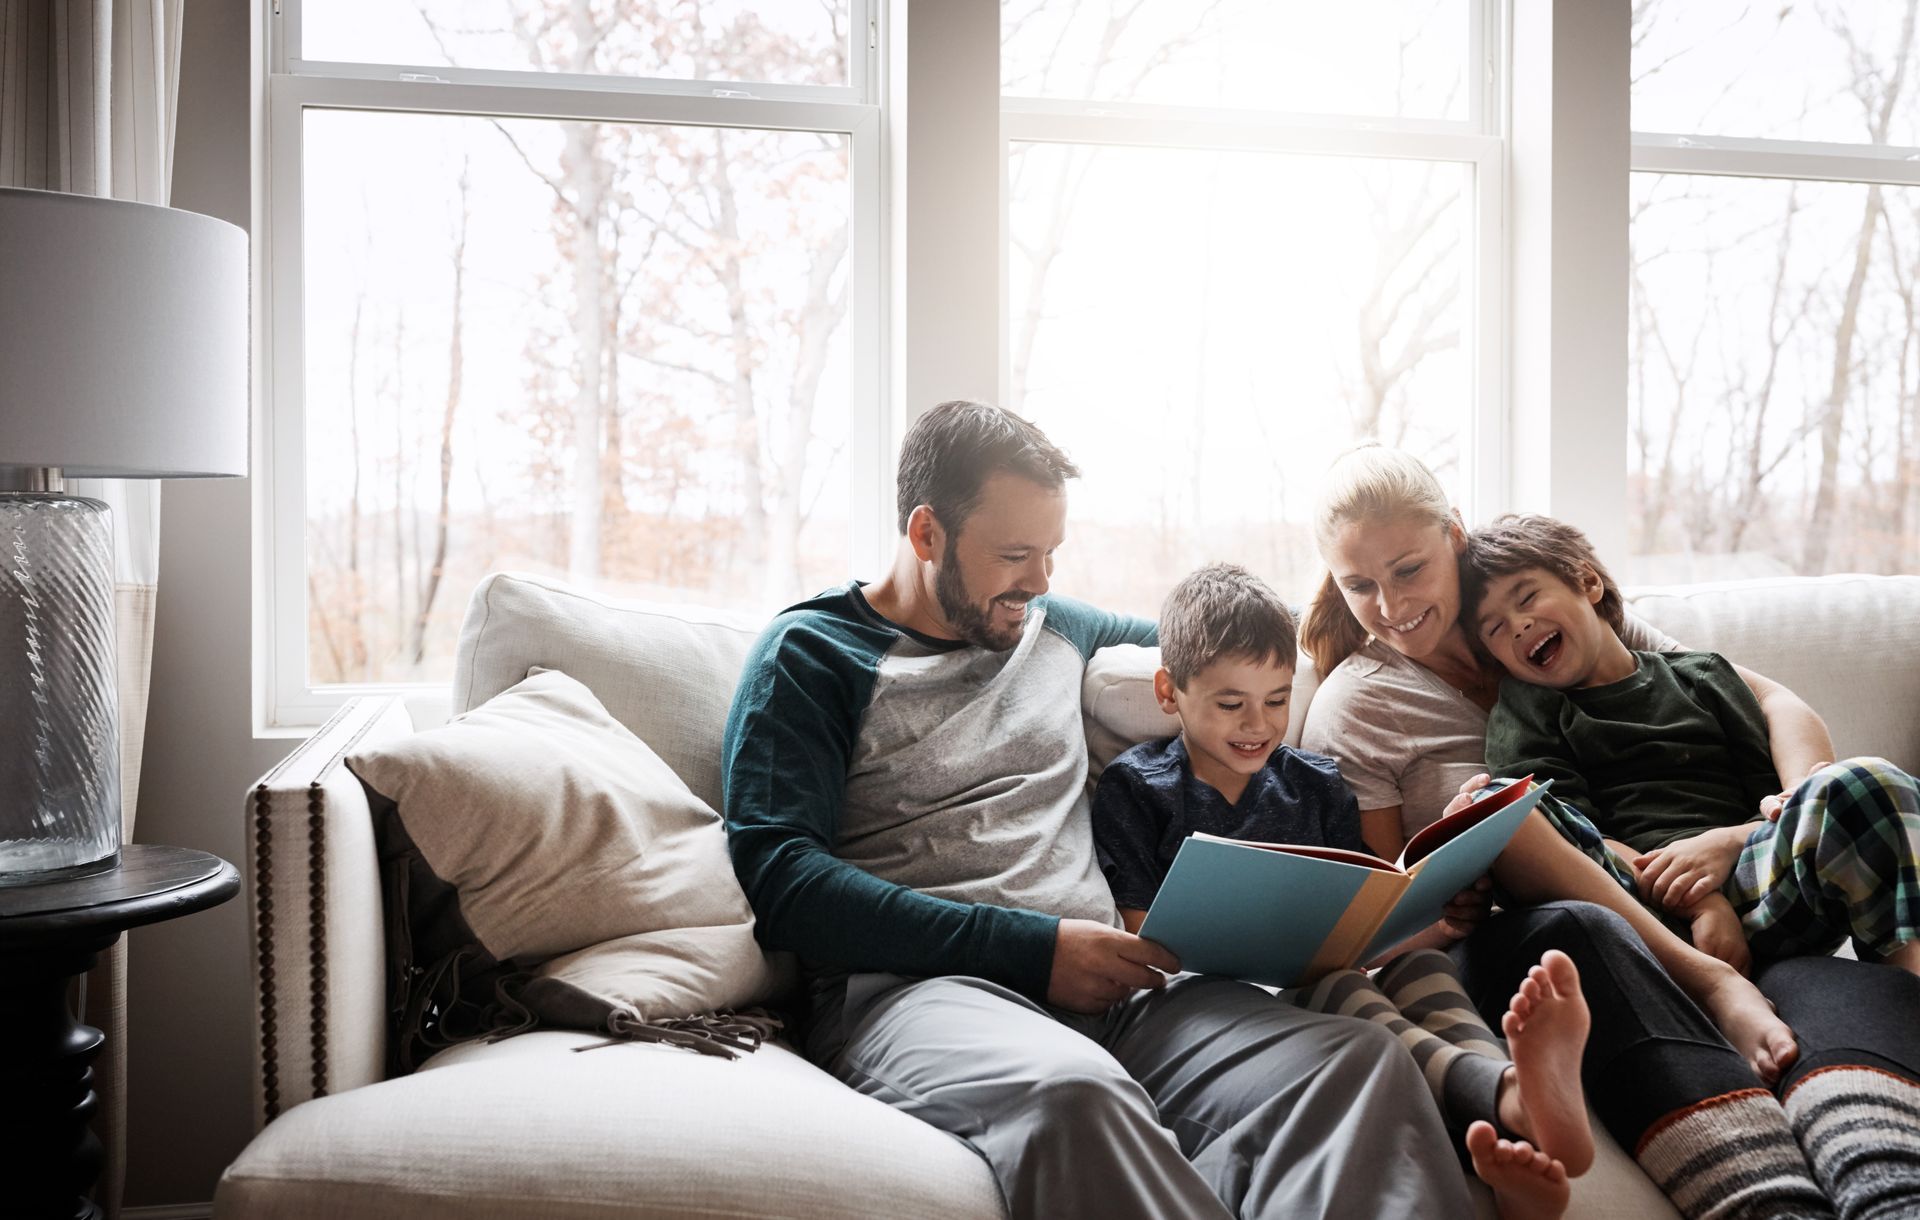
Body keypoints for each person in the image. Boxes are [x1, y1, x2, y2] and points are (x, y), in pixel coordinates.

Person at [722, 403, 1476, 1220]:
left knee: (1354, 1062)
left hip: (1119, 992)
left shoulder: (1057, 626)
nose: (1042, 581)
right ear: (927, 533)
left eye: (1051, 553)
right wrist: (1034, 950)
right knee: (1074, 1095)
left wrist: (1413, 628)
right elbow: (782, 882)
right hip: (920, 993)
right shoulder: (811, 656)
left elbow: (1215, 649)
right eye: (1015, 554)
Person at [1300, 443, 1920, 1220]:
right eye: (1360, 585)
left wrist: (1769, 823)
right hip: (1560, 931)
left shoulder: (1547, 621)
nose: (1390, 606)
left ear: (1453, 536)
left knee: (1830, 962)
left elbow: (1764, 699)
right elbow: (1379, 904)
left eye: (1408, 570)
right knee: (1507, 813)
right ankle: (1749, 1136)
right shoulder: (1360, 705)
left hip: (1715, 890)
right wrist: (1447, 899)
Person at [1091, 561, 1591, 1220]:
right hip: (1231, 1007)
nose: (1258, 725)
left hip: (1338, 969)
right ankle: (1501, 1101)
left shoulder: (1315, 783)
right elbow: (1143, 932)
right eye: (1230, 703)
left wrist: (1436, 922)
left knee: (1419, 965)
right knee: (1342, 987)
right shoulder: (1139, 788)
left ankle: (1512, 1124)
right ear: (1169, 693)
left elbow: (1363, 915)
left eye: (1276, 699)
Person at [1463, 512, 1920, 980]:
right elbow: (1571, 832)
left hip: (1758, 881)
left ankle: (1907, 986)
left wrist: (1724, 845)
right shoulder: (1529, 707)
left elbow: (1771, 806)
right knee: (1502, 804)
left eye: (1527, 597)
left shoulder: (1701, 677)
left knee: (1867, 781)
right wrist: (1699, 900)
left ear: (1588, 582)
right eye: (1495, 628)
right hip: (1633, 899)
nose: (1517, 625)